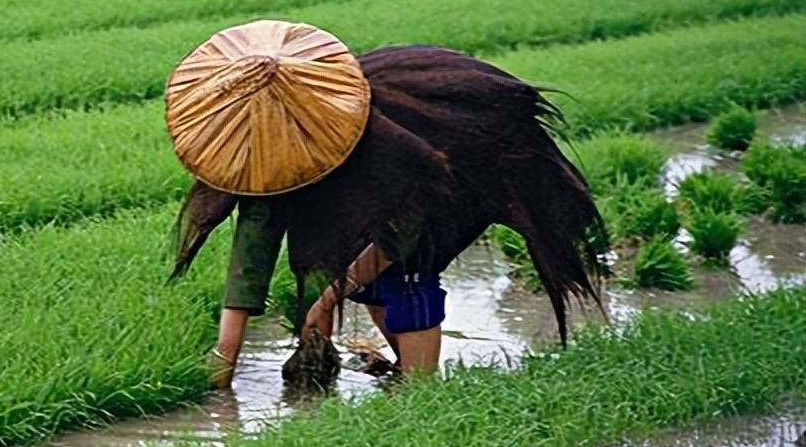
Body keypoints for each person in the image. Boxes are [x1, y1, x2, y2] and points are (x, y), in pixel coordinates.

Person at [163, 20, 607, 389]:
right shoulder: (251, 152)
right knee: (368, 280)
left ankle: (421, 390)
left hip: (457, 168)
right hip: (392, 188)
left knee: (407, 275)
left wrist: (324, 304)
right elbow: (252, 247)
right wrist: (225, 356)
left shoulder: (378, 141)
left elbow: (403, 231)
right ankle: (402, 369)